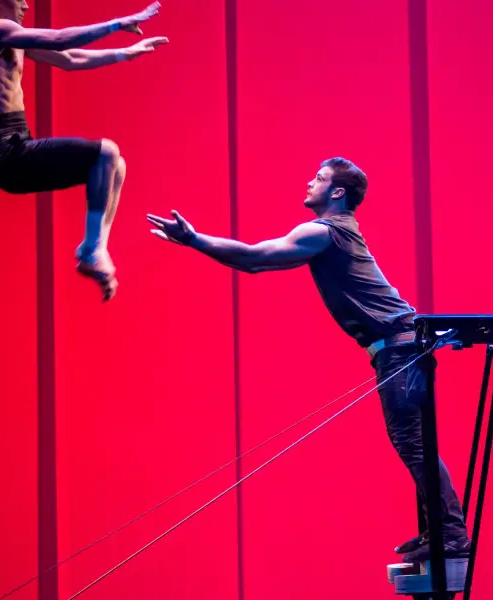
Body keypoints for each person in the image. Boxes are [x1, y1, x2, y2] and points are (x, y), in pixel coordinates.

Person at [145, 157, 472, 562]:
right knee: (416, 443)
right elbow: (254, 261)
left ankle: (450, 534)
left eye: (318, 178)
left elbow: (255, 258)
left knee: (414, 444)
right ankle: (440, 533)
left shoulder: (325, 231)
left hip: (399, 347)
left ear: (337, 192)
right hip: (404, 346)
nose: (308, 182)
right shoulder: (336, 232)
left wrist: (195, 239)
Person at [0, 0, 169, 301]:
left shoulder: (9, 36)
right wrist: (116, 23)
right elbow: (62, 38)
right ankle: (90, 249)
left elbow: (69, 57)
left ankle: (95, 248)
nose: (25, 3)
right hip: (6, 153)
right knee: (105, 153)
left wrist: (123, 54)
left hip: (14, 150)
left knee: (116, 165)